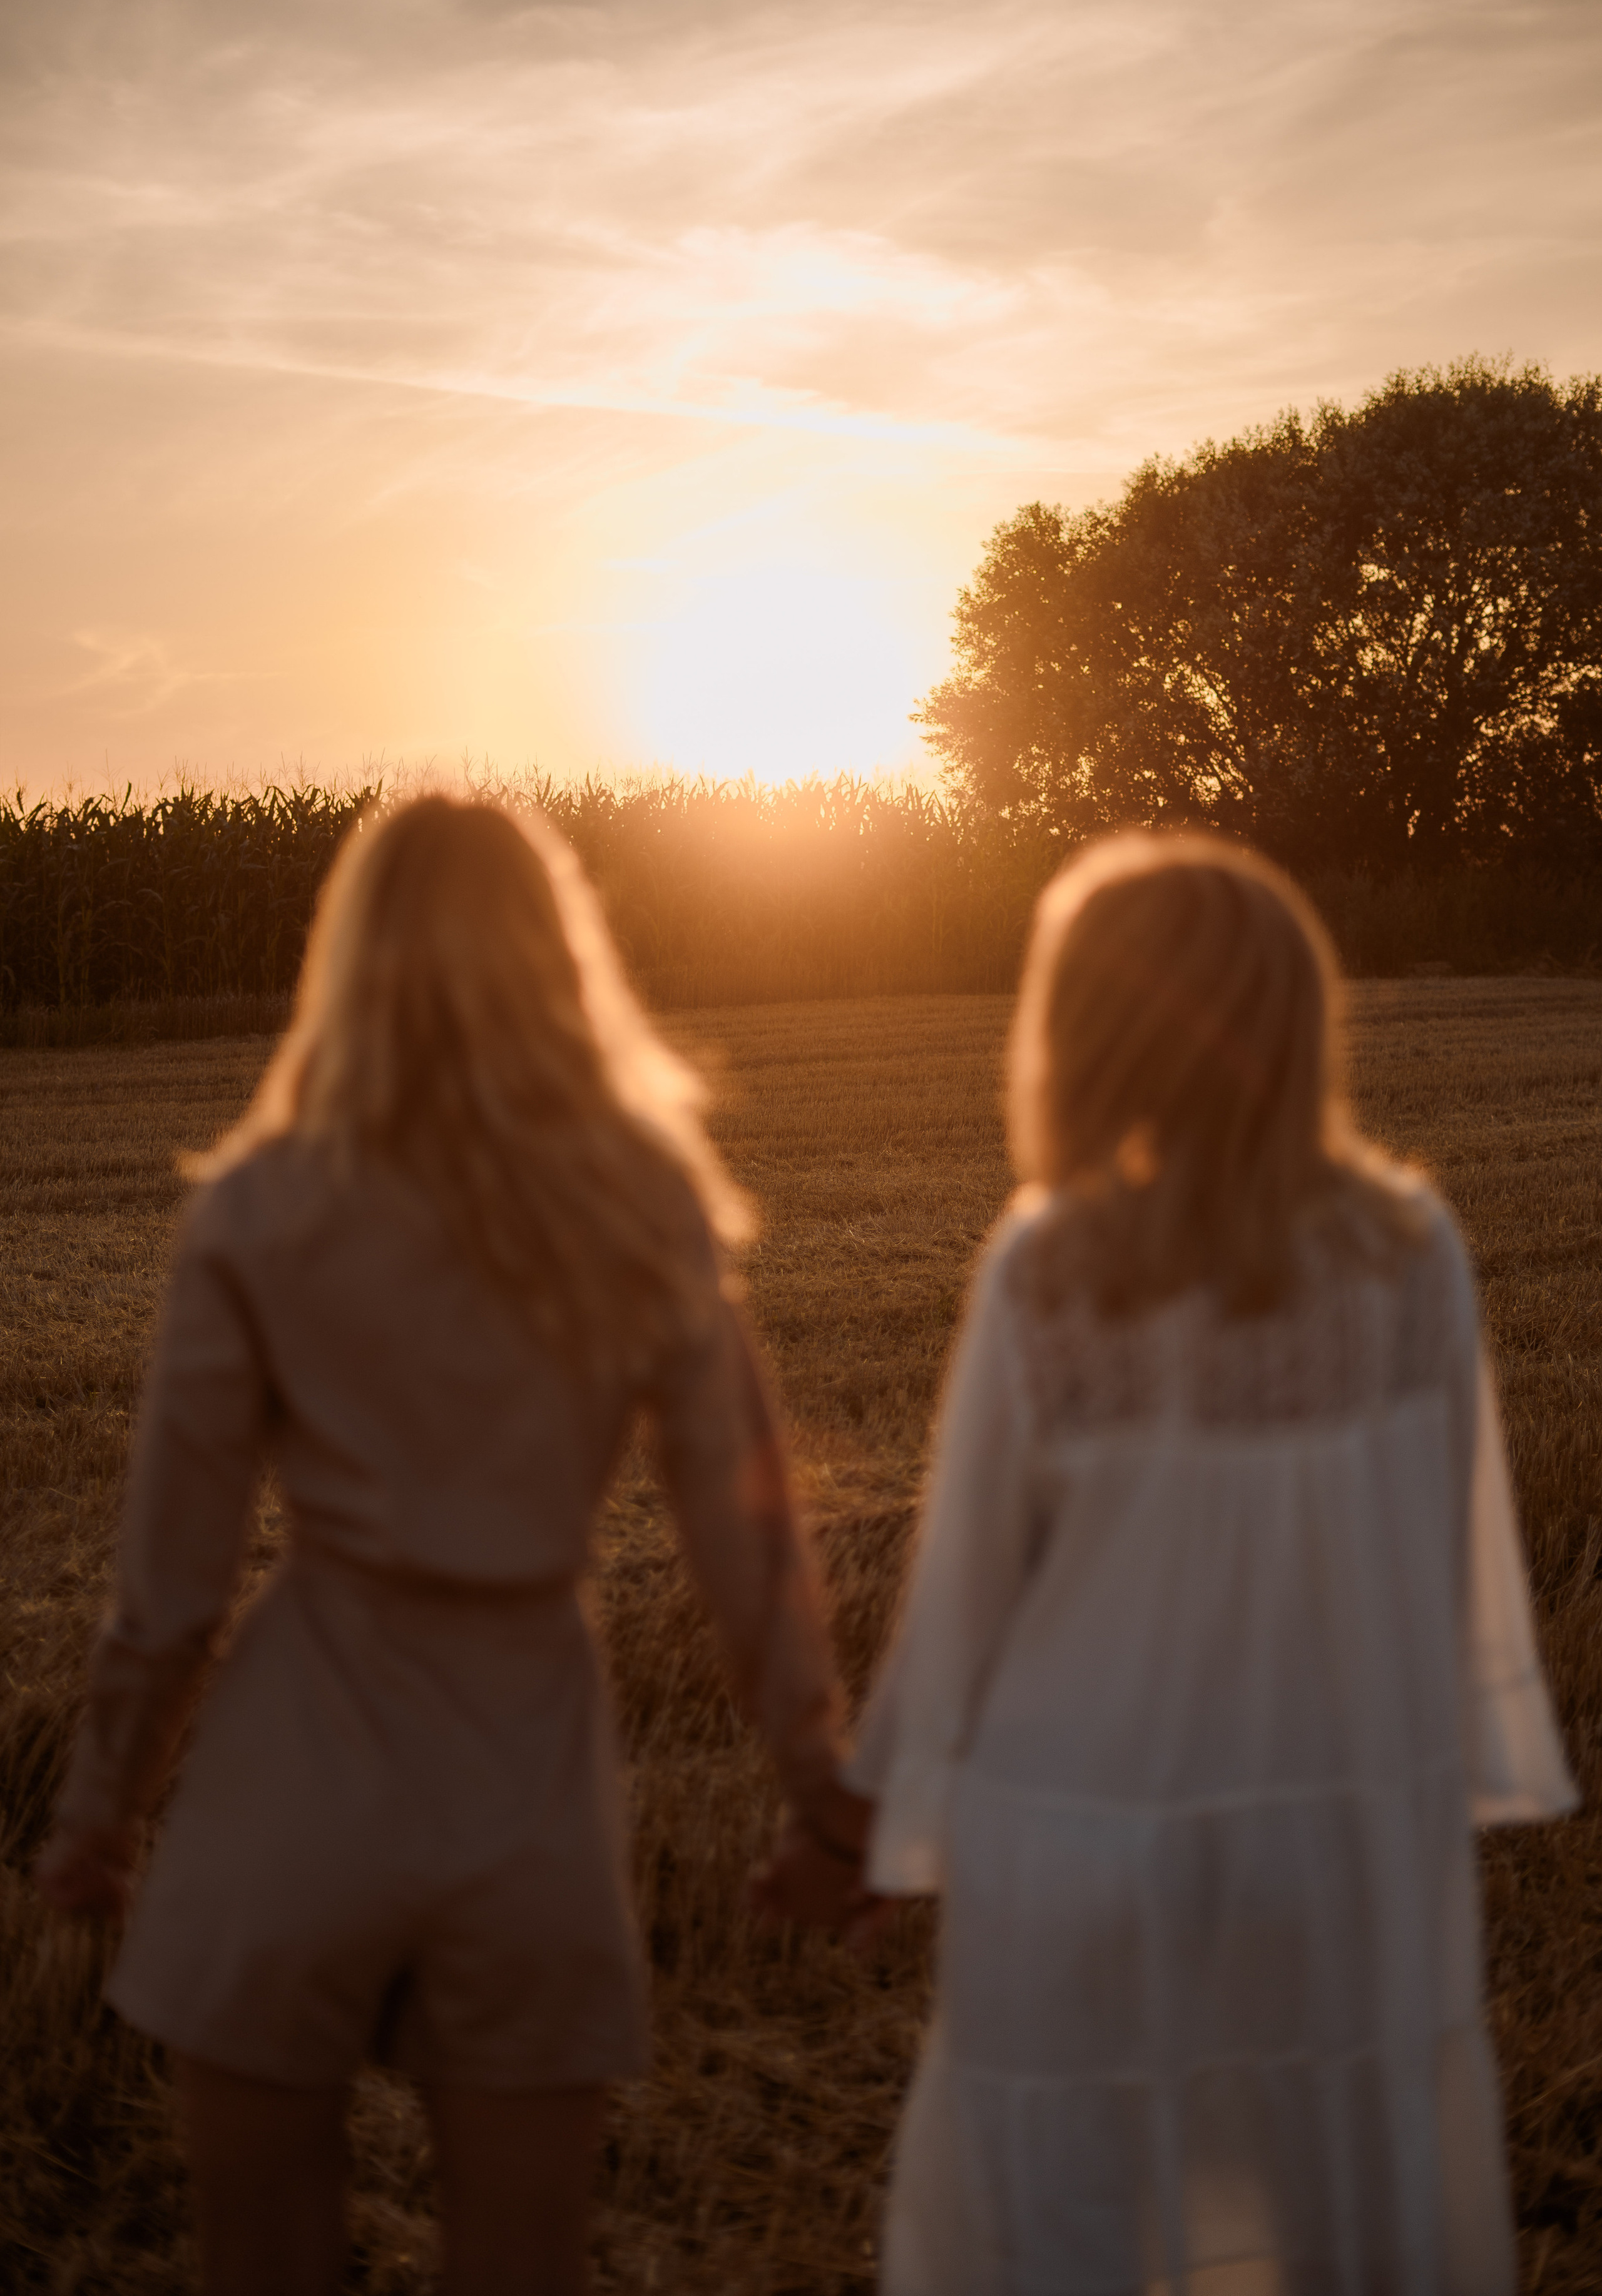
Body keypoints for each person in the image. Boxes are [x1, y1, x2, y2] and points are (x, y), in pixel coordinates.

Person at [35, 795, 862, 2296]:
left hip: (295, 1793)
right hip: (523, 1802)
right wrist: (821, 1793)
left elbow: (171, 1588)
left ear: (347, 960)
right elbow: (751, 1547)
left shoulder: (261, 1208)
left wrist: (99, 1814)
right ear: (561, 959)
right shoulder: (642, 1202)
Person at [756, 833, 1577, 2296]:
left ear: (1081, 1028)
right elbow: (1451, 1557)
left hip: (1074, 1833)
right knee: (1346, 2208)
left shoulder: (1053, 1267)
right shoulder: (1410, 1252)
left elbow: (964, 1600)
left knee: (1056, 2229)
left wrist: (858, 1833)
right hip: (1333, 1845)